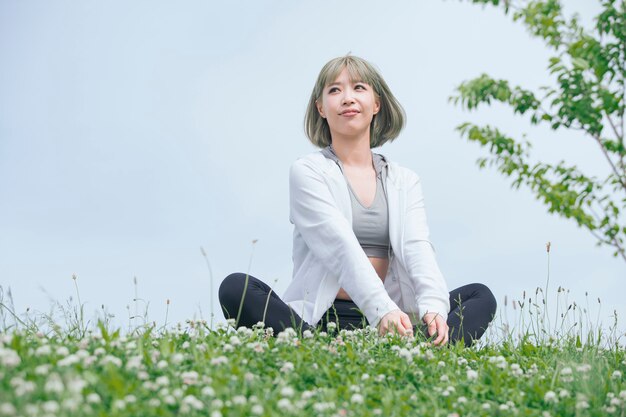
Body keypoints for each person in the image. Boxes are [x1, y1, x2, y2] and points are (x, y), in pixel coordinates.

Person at [219, 55, 496, 346]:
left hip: (395, 321)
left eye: (359, 88)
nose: (347, 98)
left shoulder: (404, 180)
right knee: (235, 287)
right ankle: (316, 346)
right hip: (323, 317)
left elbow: (418, 248)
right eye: (335, 90)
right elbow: (340, 246)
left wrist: (434, 308)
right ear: (321, 108)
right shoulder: (308, 171)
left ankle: (420, 347)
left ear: (376, 104)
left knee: (480, 296)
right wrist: (382, 309)